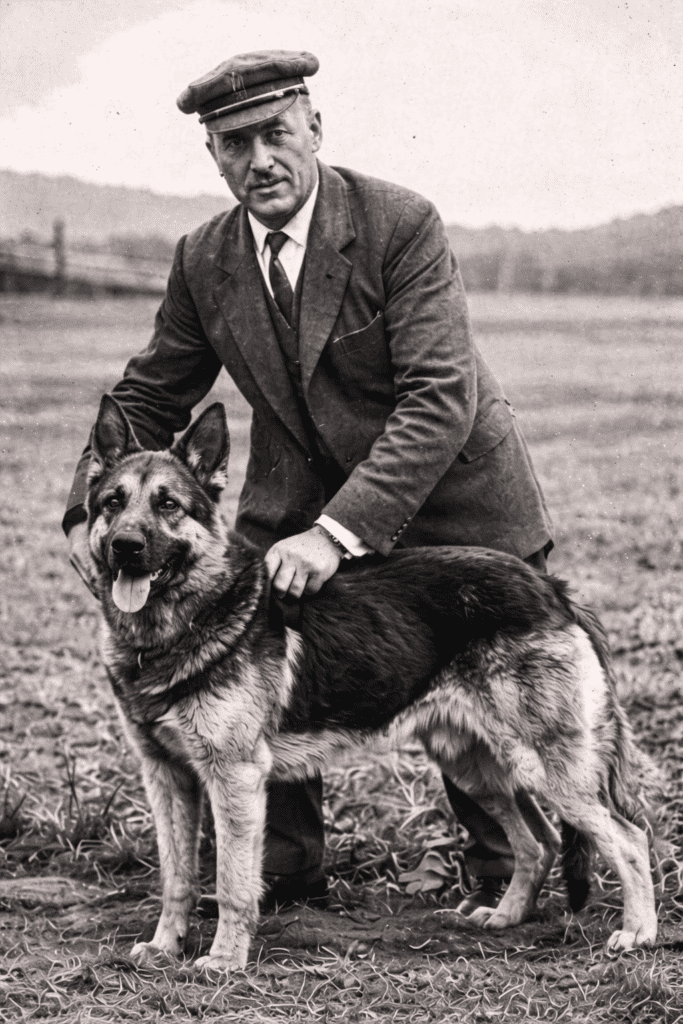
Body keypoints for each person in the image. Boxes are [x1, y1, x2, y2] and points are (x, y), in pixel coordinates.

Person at [65, 49, 553, 916]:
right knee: (259, 677)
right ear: (212, 156)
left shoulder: (398, 222)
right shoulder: (203, 258)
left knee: (494, 736)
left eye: (275, 134)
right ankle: (279, 887)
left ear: (314, 128)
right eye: (234, 143)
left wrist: (338, 533)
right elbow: (146, 395)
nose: (259, 161)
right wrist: (81, 512)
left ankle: (528, 884)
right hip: (294, 510)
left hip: (452, 511)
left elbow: (440, 398)